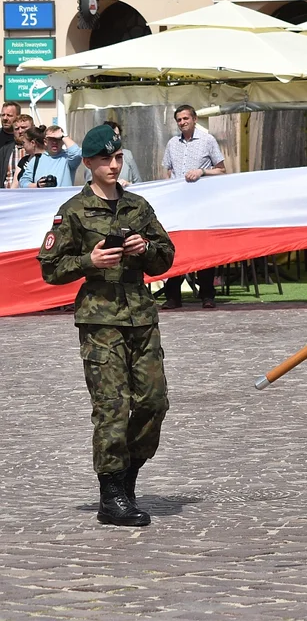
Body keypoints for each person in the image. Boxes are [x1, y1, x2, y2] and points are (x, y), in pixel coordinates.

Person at [38, 124, 176, 526]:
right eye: (105, 160)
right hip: (99, 320)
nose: (113, 165)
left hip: (141, 314)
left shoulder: (138, 206)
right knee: (112, 408)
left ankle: (128, 477)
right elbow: (49, 268)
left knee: (153, 403)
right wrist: (89, 262)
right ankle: (111, 494)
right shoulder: (74, 212)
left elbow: (166, 256)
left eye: (117, 158)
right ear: (88, 164)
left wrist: (145, 248)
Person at [161, 105, 225, 309]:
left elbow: (222, 170)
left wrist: (202, 172)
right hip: (178, 206)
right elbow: (167, 171)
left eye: (185, 118)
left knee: (204, 248)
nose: (182, 122)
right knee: (175, 248)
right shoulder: (172, 143)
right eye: (179, 120)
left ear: (194, 119)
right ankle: (173, 295)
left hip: (202, 205)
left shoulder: (208, 140)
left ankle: (207, 294)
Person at [103, 121, 143, 187]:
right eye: (112, 136)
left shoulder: (127, 155)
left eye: (117, 136)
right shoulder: (95, 158)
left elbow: (138, 183)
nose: (115, 139)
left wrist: (129, 185)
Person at [0, 102, 20, 189]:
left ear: (18, 117)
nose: (5, 118)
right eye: (2, 115)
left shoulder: (26, 139)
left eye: (9, 115)